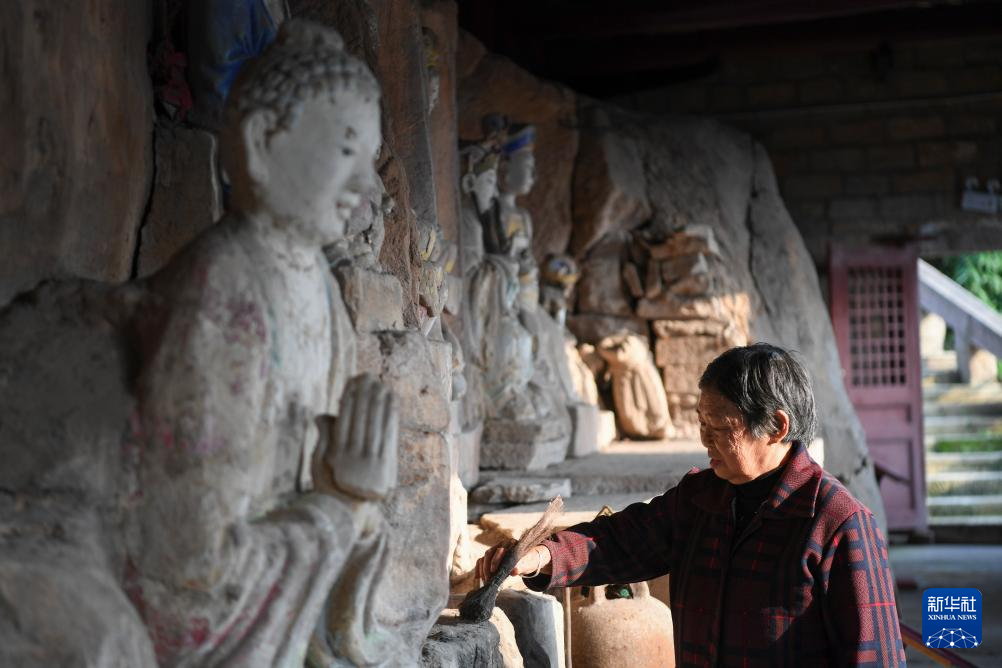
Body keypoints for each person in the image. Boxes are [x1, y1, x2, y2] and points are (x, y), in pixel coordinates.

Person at [477, 343, 906, 667]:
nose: (704, 440)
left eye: (717, 426)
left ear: (776, 427)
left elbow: (875, 657)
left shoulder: (838, 523)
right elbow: (619, 542)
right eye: (701, 423)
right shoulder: (701, 499)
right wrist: (540, 557)